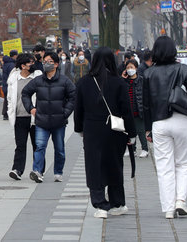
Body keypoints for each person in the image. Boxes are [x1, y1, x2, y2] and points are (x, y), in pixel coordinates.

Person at [143, 36, 187, 219]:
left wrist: (147, 129)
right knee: (184, 162)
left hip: (159, 123)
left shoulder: (147, 74)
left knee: (164, 166)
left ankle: (169, 209)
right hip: (181, 120)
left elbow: (144, 104)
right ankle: (181, 201)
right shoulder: (184, 69)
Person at [74, 47, 137, 219]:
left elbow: (78, 109)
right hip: (115, 131)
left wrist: (79, 128)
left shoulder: (83, 82)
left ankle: (100, 204)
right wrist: (131, 133)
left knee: (94, 166)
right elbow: (126, 110)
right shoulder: (119, 83)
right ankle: (117, 203)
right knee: (114, 165)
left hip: (92, 129)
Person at [22, 52, 76, 183]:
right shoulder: (38, 80)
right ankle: (37, 171)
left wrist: (65, 112)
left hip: (59, 121)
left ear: (56, 64)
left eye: (50, 61)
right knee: (40, 146)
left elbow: (73, 96)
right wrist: (31, 108)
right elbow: (25, 93)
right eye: (45, 61)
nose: (46, 63)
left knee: (60, 149)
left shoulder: (64, 81)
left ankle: (58, 172)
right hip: (41, 120)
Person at [6, 53, 43, 180]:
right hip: (19, 117)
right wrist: (10, 111)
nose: (33, 64)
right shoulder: (14, 78)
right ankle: (17, 170)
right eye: (30, 62)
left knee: (36, 145)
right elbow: (10, 98)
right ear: (23, 66)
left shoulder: (38, 77)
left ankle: (38, 170)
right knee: (20, 145)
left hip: (35, 118)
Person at [121, 59, 148, 158]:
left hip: (139, 110)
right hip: (128, 111)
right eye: (127, 67)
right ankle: (132, 150)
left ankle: (145, 149)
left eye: (131, 67)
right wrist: (122, 78)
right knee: (129, 132)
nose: (129, 69)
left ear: (136, 68)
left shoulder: (141, 80)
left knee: (141, 131)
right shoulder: (125, 81)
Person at [2, 50, 19, 120]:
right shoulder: (12, 65)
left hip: (5, 83)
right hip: (10, 84)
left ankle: (5, 113)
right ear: (14, 55)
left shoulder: (6, 63)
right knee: (10, 99)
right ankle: (6, 113)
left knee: (6, 99)